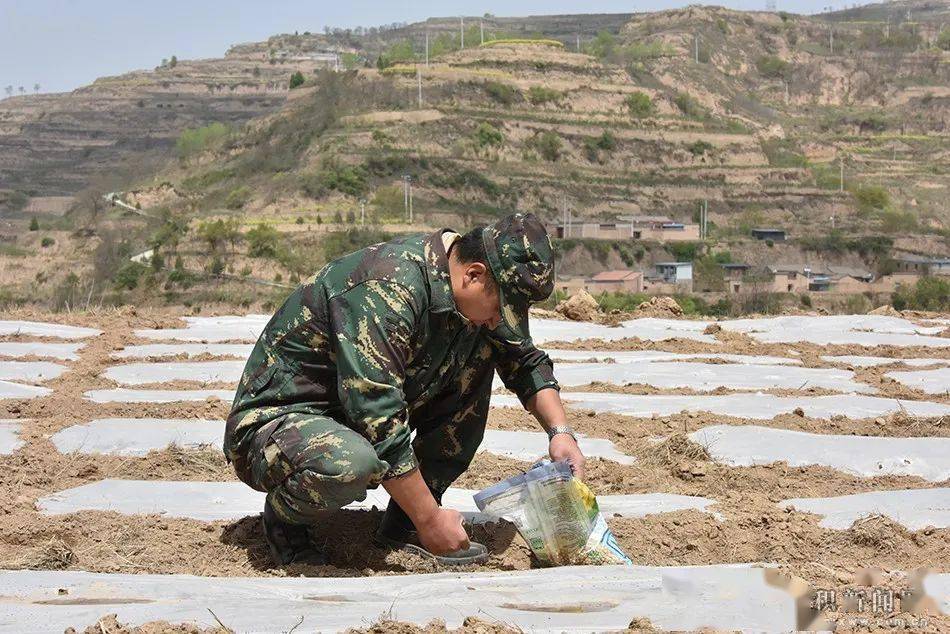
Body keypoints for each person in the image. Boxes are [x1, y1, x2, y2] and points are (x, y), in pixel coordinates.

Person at [224, 212, 586, 566]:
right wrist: (432, 519)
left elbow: (523, 360)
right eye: (500, 309)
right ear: (473, 275)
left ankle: (405, 522)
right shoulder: (388, 288)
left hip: (351, 419)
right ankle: (286, 521)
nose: (498, 320)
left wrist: (561, 432)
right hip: (279, 424)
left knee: (480, 353)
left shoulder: (470, 293)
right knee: (350, 464)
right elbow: (377, 414)